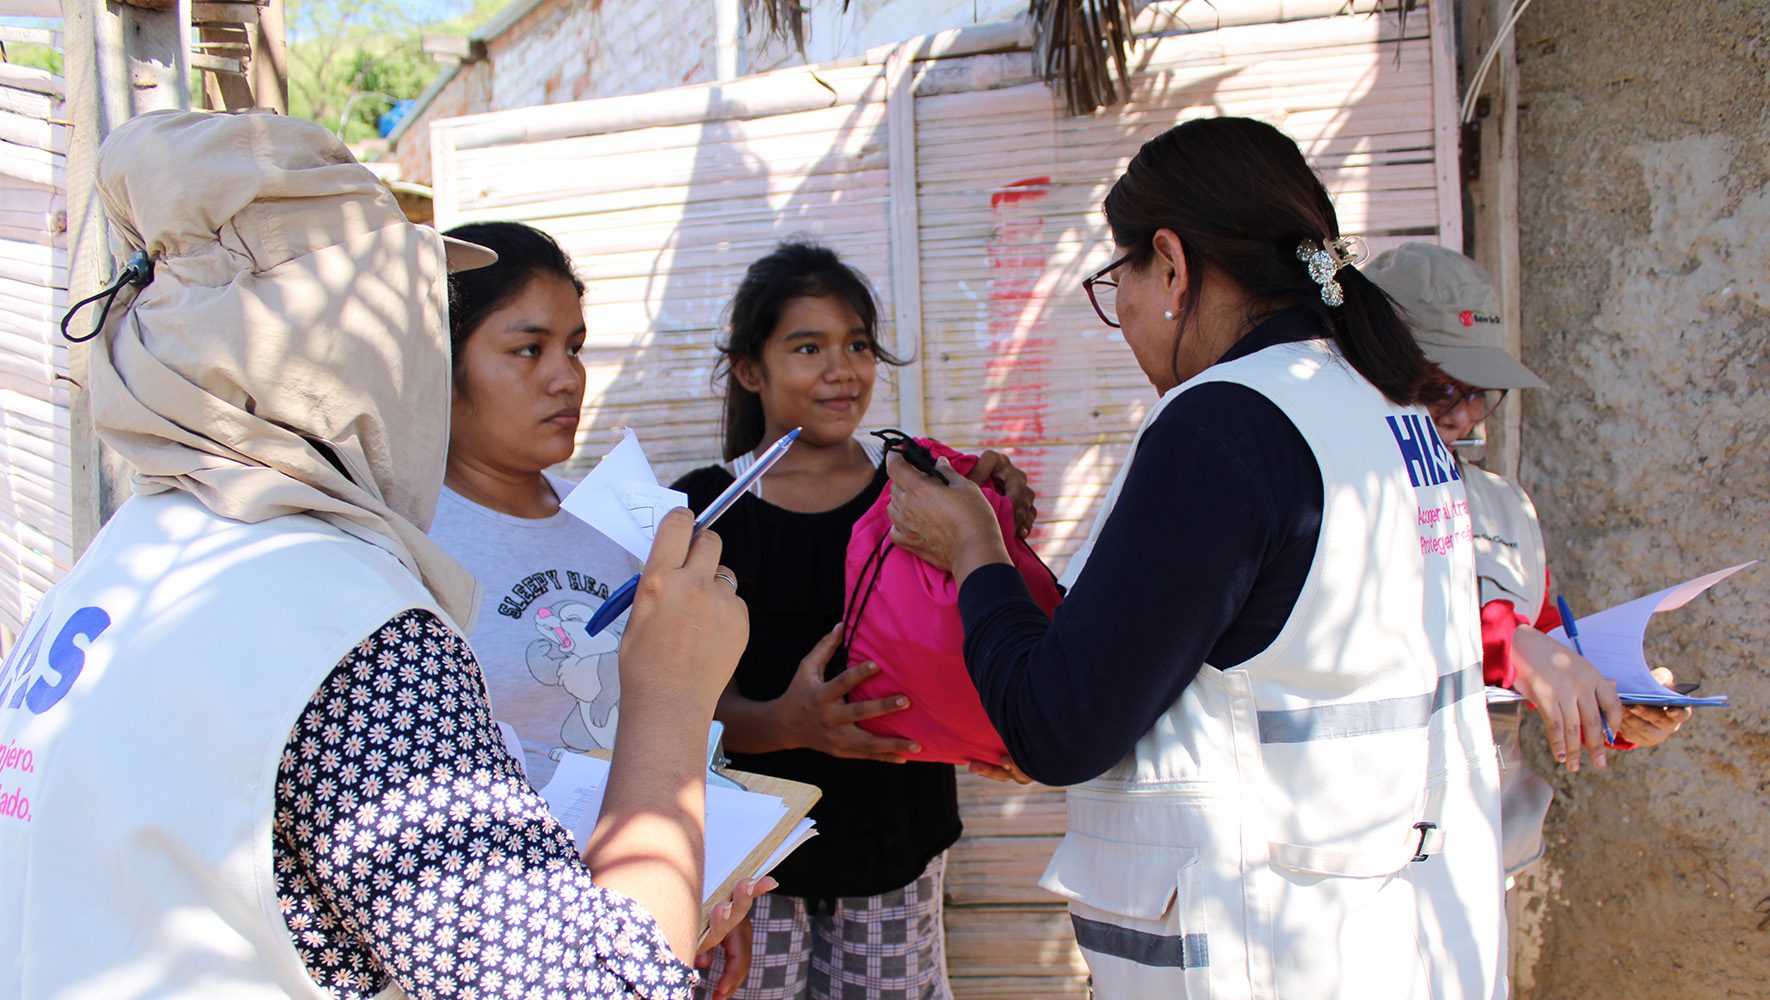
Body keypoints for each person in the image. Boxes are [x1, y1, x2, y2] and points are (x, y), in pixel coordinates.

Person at [0, 110, 749, 999]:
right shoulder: (348, 627)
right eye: (406, 319)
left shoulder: (136, 553)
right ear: (330, 345)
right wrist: (669, 693)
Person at [882, 117, 1505, 998]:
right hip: (1408, 939)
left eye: (1118, 279)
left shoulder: (1223, 425)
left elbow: (1059, 725)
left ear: (1171, 265)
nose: (1123, 313)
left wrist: (972, 546)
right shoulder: (1385, 406)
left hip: (1268, 956)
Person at [669, 241, 1035, 1000]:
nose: (843, 369)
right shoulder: (705, 509)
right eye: (808, 347)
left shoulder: (919, 486)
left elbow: (976, 616)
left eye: (859, 345)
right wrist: (787, 724)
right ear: (750, 369)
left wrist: (993, 515)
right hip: (748, 868)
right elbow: (672, 706)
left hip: (893, 844)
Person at [428, 220, 763, 997]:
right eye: (528, 348)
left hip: (641, 908)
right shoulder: (404, 541)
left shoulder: (619, 525)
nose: (566, 377)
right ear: (439, 364)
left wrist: (710, 878)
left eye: (574, 347)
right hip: (495, 944)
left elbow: (675, 721)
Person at [1365, 242, 1691, 879]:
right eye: (1438, 391)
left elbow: (1540, 645)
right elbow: (1385, 622)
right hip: (1371, 867)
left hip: (1488, 862)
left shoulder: (1506, 505)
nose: (1462, 416)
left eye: (1478, 391)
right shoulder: (1336, 493)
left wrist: (1616, 704)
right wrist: (1514, 647)